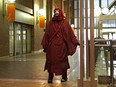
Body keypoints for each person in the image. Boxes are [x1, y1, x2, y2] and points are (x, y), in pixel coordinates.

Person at [41, 7, 80, 83]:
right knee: (57, 61)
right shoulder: (59, 23)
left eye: (57, 11)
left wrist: (46, 45)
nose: (56, 12)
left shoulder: (55, 22)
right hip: (58, 47)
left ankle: (56, 77)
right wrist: (75, 41)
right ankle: (58, 77)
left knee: (55, 61)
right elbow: (69, 34)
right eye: (55, 11)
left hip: (56, 47)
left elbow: (47, 35)